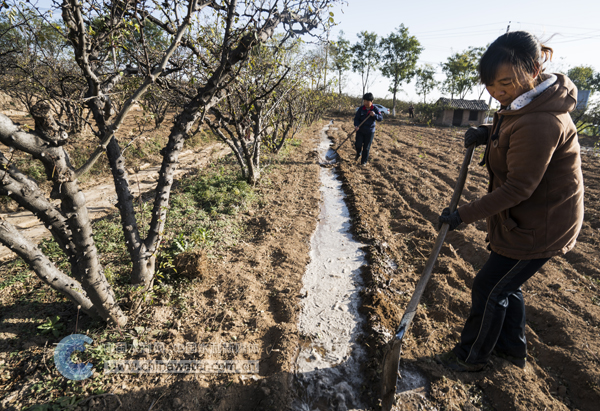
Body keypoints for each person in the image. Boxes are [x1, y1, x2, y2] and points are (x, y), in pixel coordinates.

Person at [436, 31, 584, 372]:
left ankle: (471, 357)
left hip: (542, 224)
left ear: (533, 70)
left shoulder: (542, 120)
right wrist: (487, 132)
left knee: (490, 287)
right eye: (490, 85)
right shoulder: (525, 102)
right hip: (525, 218)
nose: (497, 93)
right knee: (506, 285)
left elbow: (518, 188)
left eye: (504, 83)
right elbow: (513, 125)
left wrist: (462, 215)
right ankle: (512, 351)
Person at [353, 92, 383, 166]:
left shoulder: (375, 109)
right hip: (360, 130)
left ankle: (363, 162)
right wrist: (356, 125)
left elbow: (380, 118)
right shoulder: (361, 109)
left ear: (372, 101)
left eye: (367, 101)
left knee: (366, 147)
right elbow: (356, 119)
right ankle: (358, 153)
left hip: (369, 131)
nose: (365, 103)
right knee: (358, 145)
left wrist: (374, 115)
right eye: (364, 101)